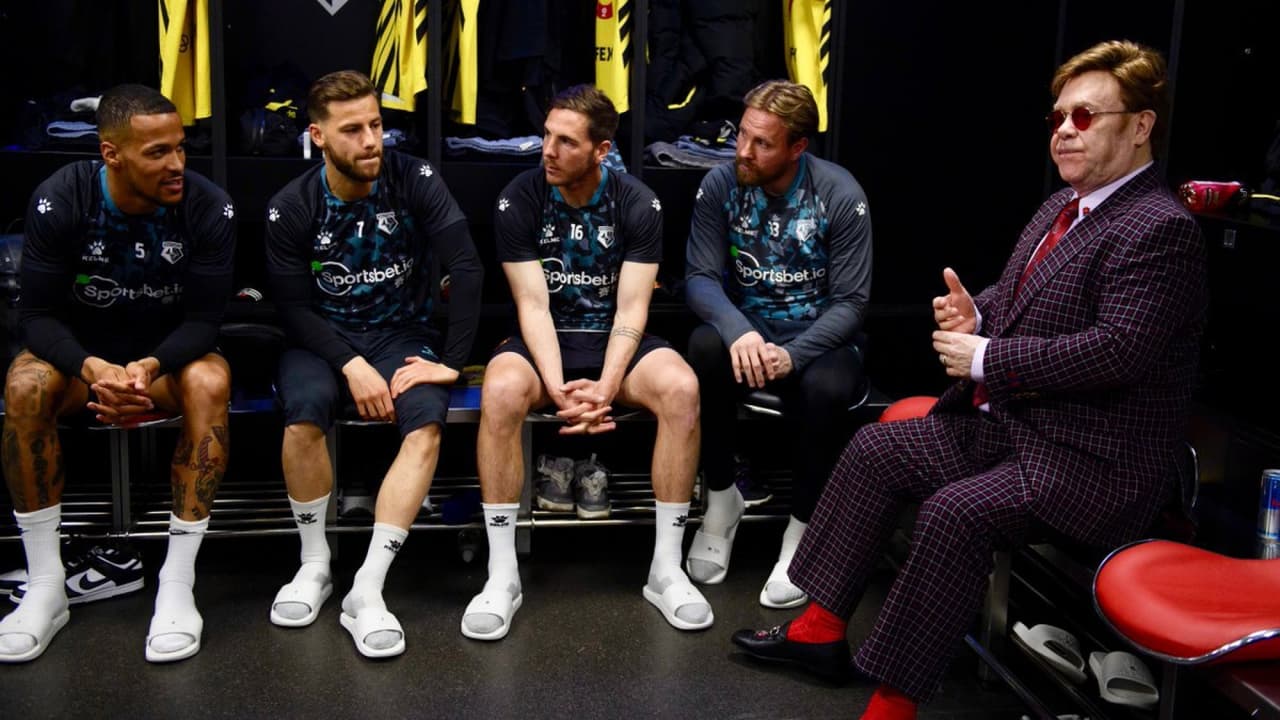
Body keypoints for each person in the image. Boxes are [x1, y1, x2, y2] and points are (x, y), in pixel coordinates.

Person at [732, 40, 1207, 720]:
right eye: (1057, 118)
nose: (1065, 131)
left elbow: (1118, 351)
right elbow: (1021, 294)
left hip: (1095, 462)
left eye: (1085, 116)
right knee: (873, 448)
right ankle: (819, 632)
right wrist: (976, 310)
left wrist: (986, 356)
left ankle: (893, 704)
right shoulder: (1063, 208)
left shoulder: (1160, 229)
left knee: (955, 514)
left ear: (1139, 126)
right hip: (1022, 430)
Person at [461, 84, 710, 640]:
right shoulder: (520, 197)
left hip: (614, 340)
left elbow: (632, 307)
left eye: (565, 142)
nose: (547, 150)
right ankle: (503, 573)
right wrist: (557, 387)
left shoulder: (637, 202)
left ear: (600, 151)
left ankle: (665, 568)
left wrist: (605, 387)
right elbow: (532, 303)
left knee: (681, 388)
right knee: (500, 390)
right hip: (547, 337)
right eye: (546, 135)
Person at [1, 84, 236, 664]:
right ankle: (47, 586)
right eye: (157, 153)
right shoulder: (64, 198)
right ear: (111, 155)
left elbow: (206, 321)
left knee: (211, 382)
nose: (177, 164)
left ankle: (177, 585)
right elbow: (35, 316)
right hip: (82, 364)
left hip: (161, 365)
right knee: (23, 384)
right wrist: (93, 367)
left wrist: (147, 368)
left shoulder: (207, 205)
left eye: (180, 147)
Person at [264, 70, 482, 658]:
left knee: (426, 426)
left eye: (377, 125)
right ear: (318, 136)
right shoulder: (294, 205)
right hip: (322, 337)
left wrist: (453, 364)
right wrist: (351, 362)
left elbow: (465, 266)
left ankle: (368, 586)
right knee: (304, 415)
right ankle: (316, 565)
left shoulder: (414, 179)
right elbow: (291, 307)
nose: (371, 140)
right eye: (353, 129)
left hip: (402, 334)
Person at [684, 79, 872, 608]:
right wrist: (737, 329)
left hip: (818, 340)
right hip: (750, 332)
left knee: (828, 387)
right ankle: (722, 501)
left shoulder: (839, 194)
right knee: (702, 347)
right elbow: (699, 276)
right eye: (742, 135)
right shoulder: (722, 184)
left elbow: (852, 303)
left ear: (797, 147)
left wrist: (794, 354)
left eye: (762, 143)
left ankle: (801, 534)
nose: (743, 151)